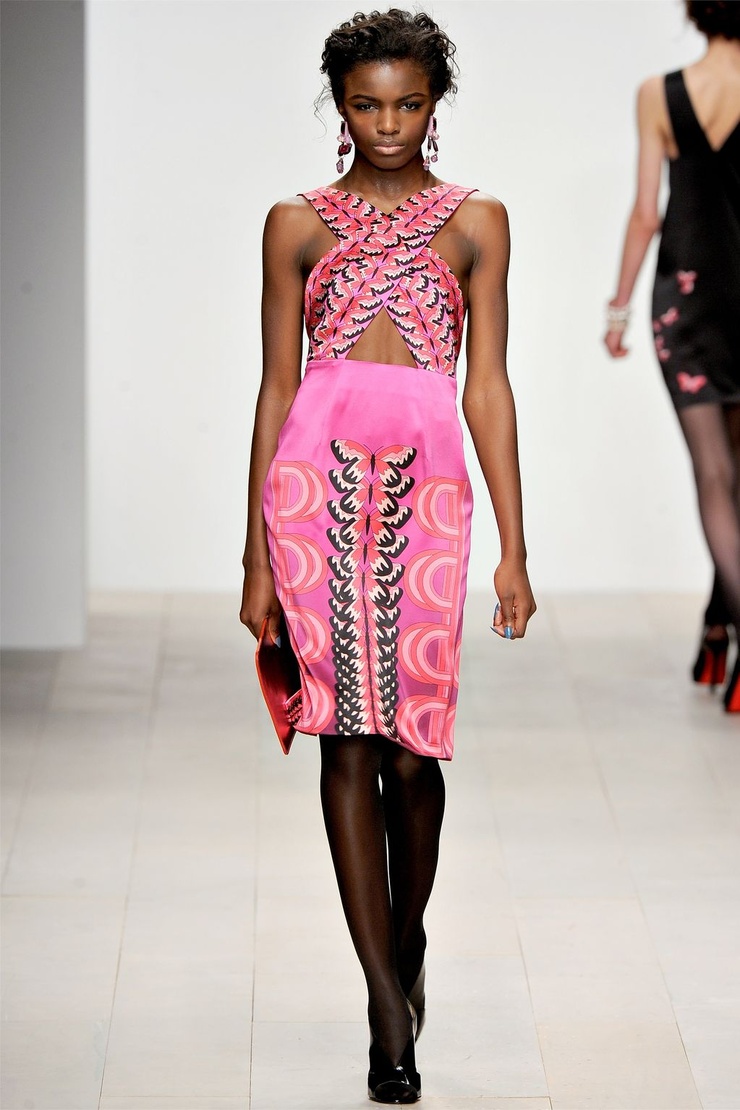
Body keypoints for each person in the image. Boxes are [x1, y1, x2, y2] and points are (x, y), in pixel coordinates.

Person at [240, 9, 535, 1102]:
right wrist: (254, 559)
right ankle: (382, 1001)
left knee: (412, 752)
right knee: (342, 736)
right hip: (311, 494)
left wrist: (514, 547)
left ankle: (405, 942)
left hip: (428, 496)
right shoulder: (294, 224)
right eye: (366, 104)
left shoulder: (476, 222)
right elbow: (276, 387)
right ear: (339, 105)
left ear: (435, 103)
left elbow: (486, 384)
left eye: (408, 102)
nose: (388, 123)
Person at [604, 0, 740, 713]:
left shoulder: (658, 94)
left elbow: (646, 213)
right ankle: (723, 632)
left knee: (717, 476)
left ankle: (724, 626)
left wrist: (619, 307)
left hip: (689, 300)